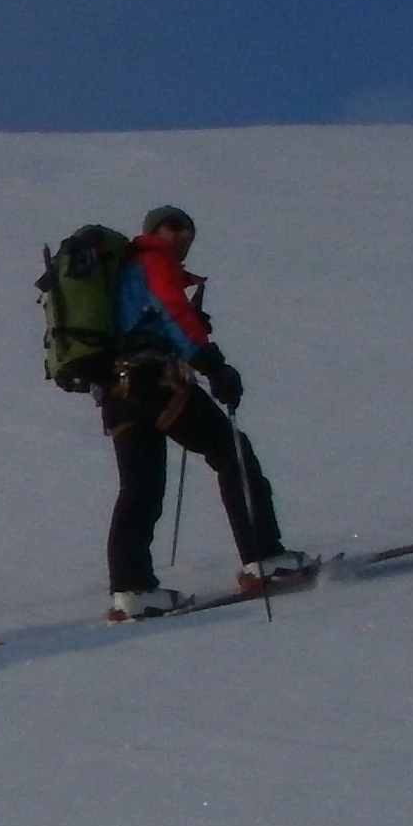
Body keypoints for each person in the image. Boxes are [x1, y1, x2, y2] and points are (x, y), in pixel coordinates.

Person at [97, 209, 313, 619]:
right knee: (232, 453)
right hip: (154, 383)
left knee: (140, 488)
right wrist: (213, 364)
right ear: (153, 232)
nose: (183, 234)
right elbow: (172, 314)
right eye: (173, 226)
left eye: (188, 228)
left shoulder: (122, 271)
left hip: (116, 390)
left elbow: (147, 320)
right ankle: (264, 557)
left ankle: (133, 589)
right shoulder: (152, 259)